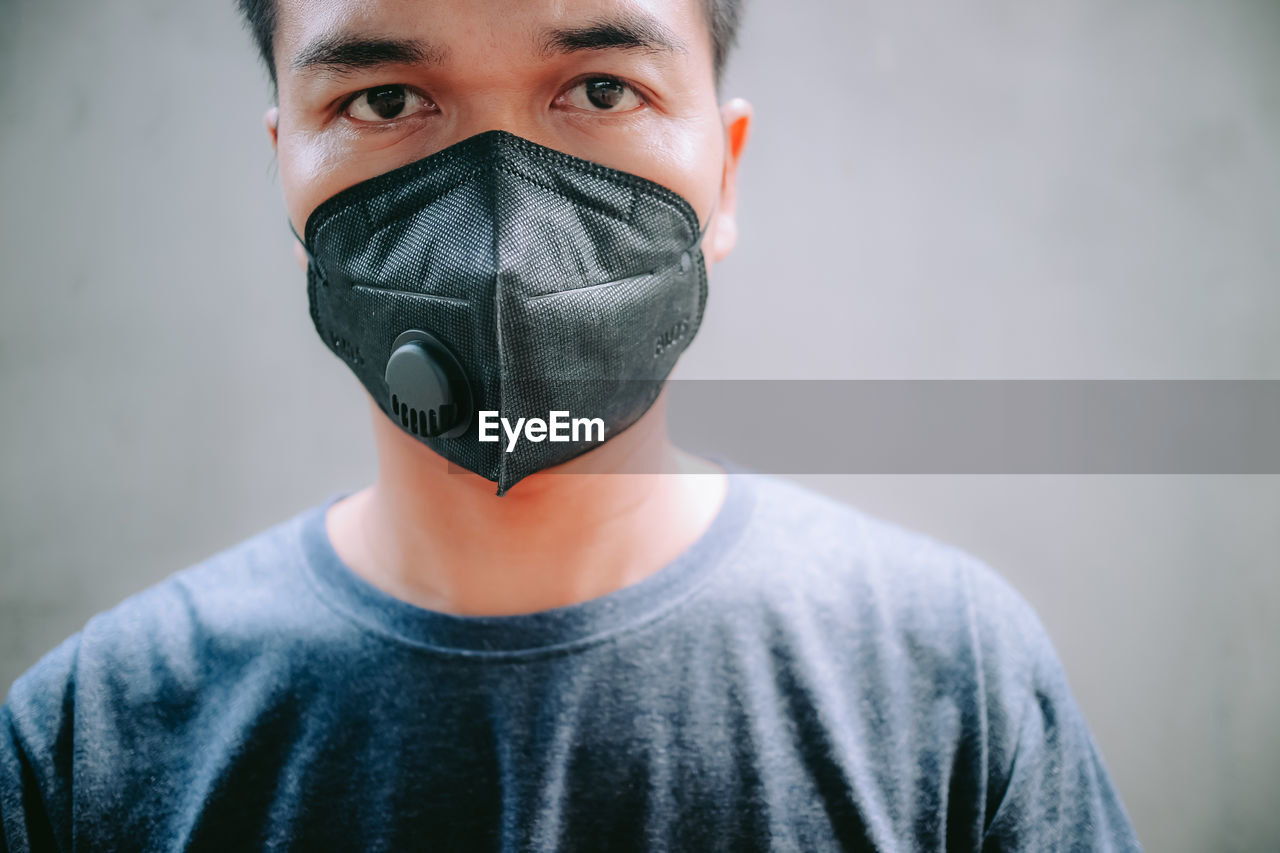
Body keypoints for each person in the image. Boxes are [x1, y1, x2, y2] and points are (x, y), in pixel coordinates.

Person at [0, 0, 1142, 849]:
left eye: (601, 89)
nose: (504, 245)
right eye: (384, 100)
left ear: (724, 177)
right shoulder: (86, 742)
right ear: (287, 179)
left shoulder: (949, 684)